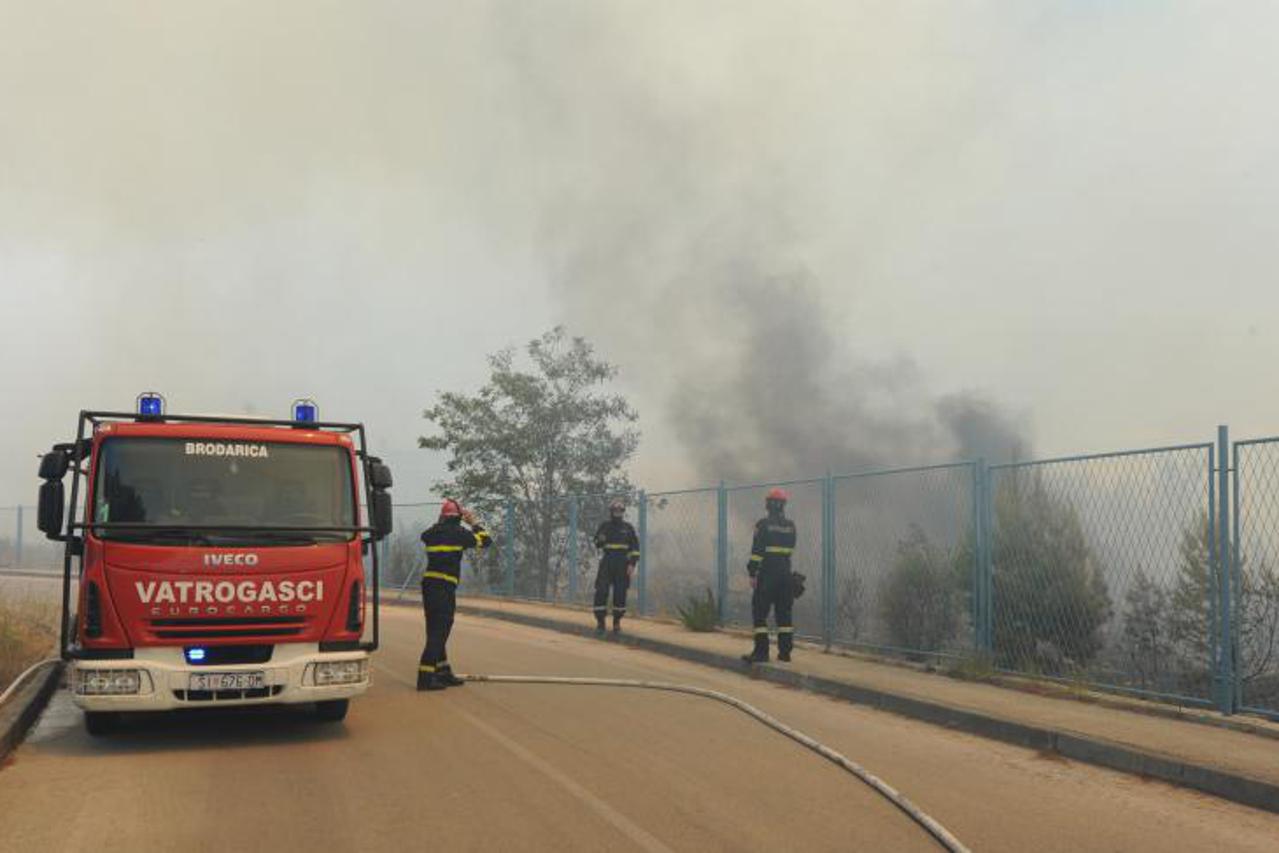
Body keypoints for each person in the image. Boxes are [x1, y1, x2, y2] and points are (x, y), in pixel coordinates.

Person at [417, 499, 492, 691]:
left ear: (442, 517)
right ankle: (425, 678)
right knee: (440, 631)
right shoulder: (459, 534)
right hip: (443, 586)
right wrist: (473, 522)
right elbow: (485, 541)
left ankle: (442, 671)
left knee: (435, 629)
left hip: (429, 585)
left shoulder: (432, 533)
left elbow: (424, 535)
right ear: (458, 518)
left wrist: (441, 521)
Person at [742, 487, 797, 664]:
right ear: (783, 505)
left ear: (768, 505)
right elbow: (790, 550)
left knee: (759, 613)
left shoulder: (763, 525)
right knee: (784, 616)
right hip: (786, 575)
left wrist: (752, 572)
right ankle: (785, 653)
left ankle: (761, 652)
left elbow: (757, 551)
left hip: (767, 576)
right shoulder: (791, 526)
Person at [591, 498, 640, 635]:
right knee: (601, 591)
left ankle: (617, 622)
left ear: (623, 511)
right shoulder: (605, 526)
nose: (618, 511)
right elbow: (597, 543)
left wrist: (632, 564)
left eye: (621, 509)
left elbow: (635, 548)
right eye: (615, 509)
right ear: (611, 511)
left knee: (620, 594)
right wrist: (600, 540)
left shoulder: (628, 528)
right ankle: (600, 623)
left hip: (622, 565)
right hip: (607, 563)